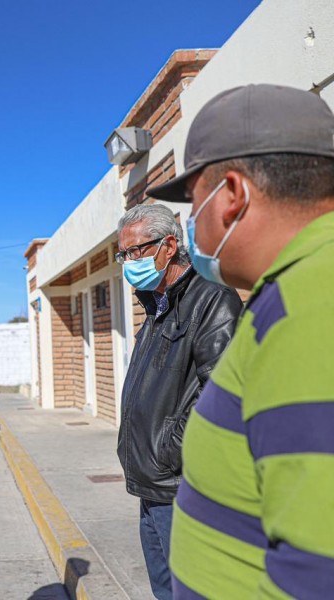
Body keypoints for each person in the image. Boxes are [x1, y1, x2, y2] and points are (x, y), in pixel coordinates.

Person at [147, 83, 334, 599]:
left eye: (191, 201)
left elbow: (319, 571)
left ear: (231, 195)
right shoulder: (297, 289)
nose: (190, 223)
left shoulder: (312, 305)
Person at [115, 203, 242, 599]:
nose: (129, 261)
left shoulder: (212, 300)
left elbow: (222, 395)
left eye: (137, 250)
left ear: (169, 245)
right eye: (124, 254)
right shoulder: (154, 308)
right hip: (152, 483)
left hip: (183, 486)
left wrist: (171, 451)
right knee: (165, 590)